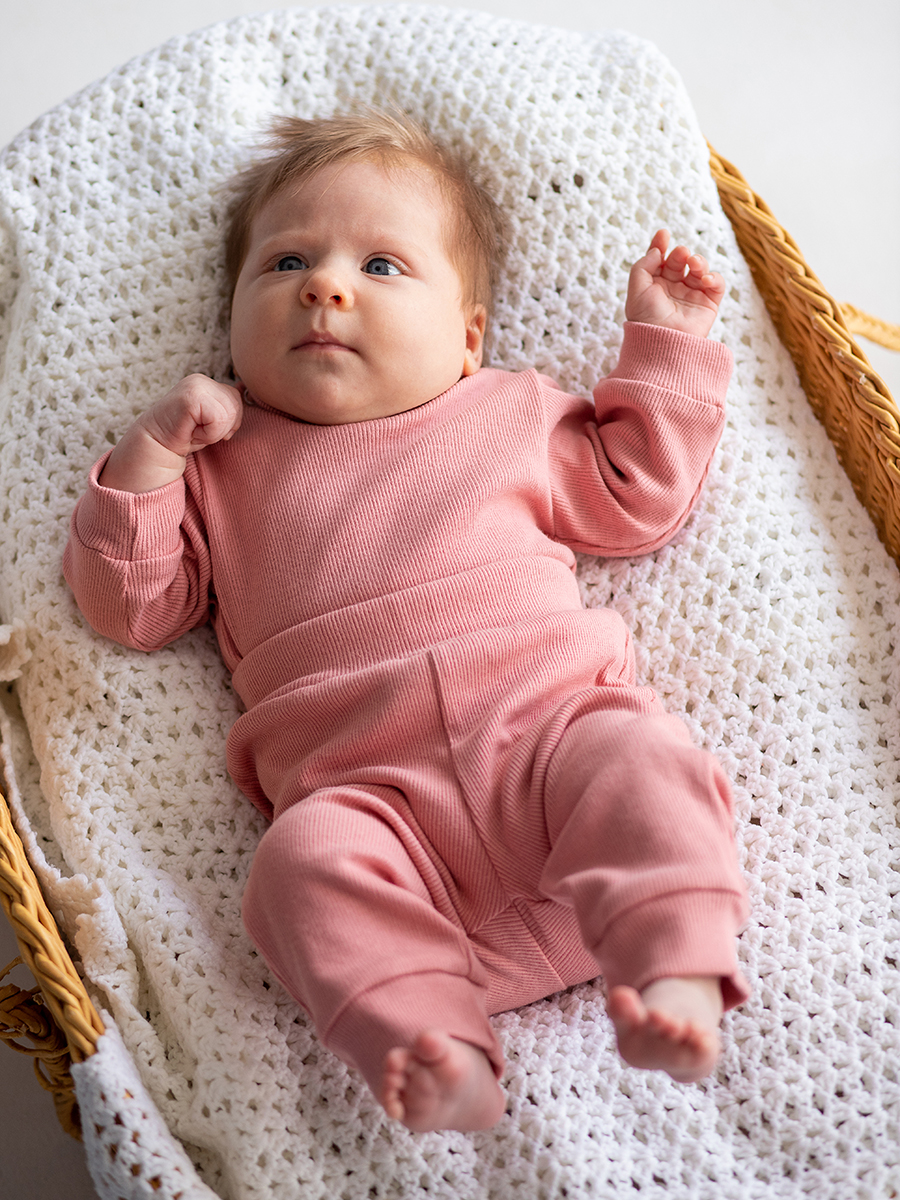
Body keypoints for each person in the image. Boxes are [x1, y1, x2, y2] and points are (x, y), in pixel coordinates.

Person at [63, 110, 750, 1134]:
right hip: (374, 814)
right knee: (296, 870)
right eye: (286, 260)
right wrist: (148, 460)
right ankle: (431, 1043)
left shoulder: (509, 411)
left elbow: (636, 493)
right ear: (233, 318)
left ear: (468, 337)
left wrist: (663, 342)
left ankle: (676, 964)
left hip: (548, 754)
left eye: (381, 266)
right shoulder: (219, 465)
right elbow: (133, 610)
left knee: (641, 758)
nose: (325, 286)